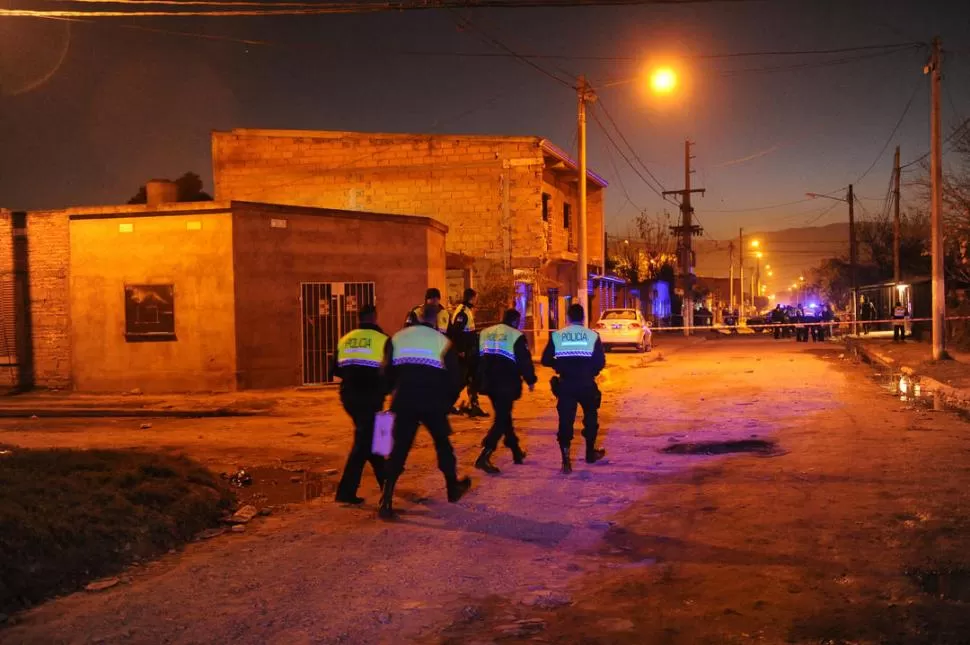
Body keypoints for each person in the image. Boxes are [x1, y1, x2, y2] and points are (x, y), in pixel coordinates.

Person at [379, 305, 472, 520]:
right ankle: (452, 487)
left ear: (417, 317)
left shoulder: (398, 338)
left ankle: (386, 499)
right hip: (433, 402)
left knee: (399, 448)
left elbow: (387, 372)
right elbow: (454, 378)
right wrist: (448, 402)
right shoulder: (442, 342)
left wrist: (390, 393)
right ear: (435, 320)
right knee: (442, 444)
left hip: (405, 400)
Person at [332, 305, 390, 505]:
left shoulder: (346, 338)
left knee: (375, 439)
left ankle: (387, 484)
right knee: (365, 443)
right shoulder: (383, 340)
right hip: (371, 397)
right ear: (374, 317)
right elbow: (392, 371)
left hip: (349, 396)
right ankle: (345, 492)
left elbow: (335, 369)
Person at [541, 303, 607, 474]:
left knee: (565, 421)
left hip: (566, 384)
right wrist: (589, 371)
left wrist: (560, 365)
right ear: (583, 318)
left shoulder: (557, 335)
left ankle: (566, 460)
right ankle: (590, 454)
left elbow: (546, 359)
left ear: (568, 318)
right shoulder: (592, 335)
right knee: (591, 418)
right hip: (586, 383)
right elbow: (600, 362)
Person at [474, 308, 538, 474]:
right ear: (516, 321)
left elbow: (476, 357)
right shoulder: (516, 336)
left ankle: (516, 451)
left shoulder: (486, 333)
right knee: (502, 419)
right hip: (506, 384)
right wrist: (530, 380)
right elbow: (524, 360)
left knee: (504, 416)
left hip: (489, 383)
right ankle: (485, 453)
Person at [449, 288, 488, 418]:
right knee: (462, 380)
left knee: (472, 378)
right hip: (464, 353)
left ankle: (474, 405)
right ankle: (446, 404)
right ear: (472, 298)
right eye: (475, 298)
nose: (476, 300)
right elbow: (456, 332)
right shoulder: (463, 312)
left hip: (469, 352)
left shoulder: (467, 310)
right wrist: (460, 350)